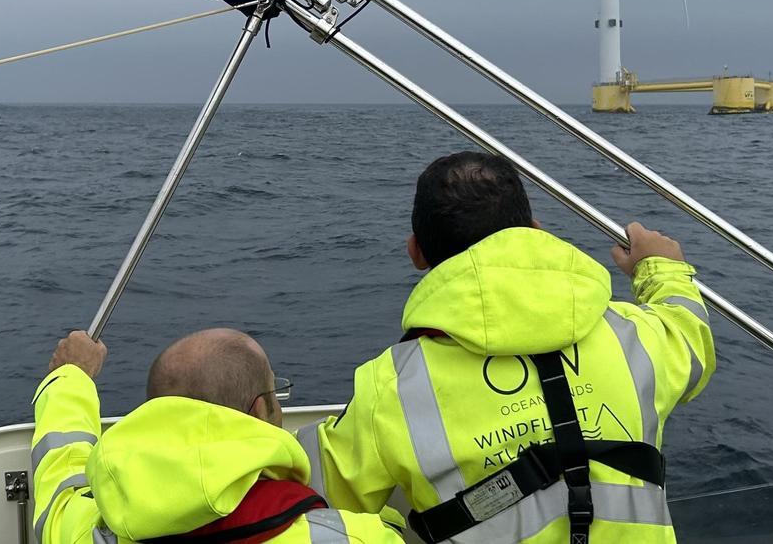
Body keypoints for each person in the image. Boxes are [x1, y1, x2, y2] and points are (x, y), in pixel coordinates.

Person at [297, 151, 715, 543]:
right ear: (535, 232)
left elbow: (312, 495)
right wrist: (663, 269)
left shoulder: (391, 388)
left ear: (416, 253)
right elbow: (690, 336)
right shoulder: (635, 338)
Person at [31, 327, 404, 543]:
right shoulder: (351, 538)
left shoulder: (87, 531)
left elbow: (62, 474)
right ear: (260, 409)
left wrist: (70, 377)